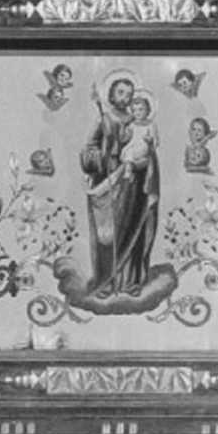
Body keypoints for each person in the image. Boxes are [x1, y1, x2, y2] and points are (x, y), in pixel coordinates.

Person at [80, 72, 160, 298]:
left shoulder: (138, 119)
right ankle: (106, 281)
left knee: (134, 227)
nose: (125, 98)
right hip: (108, 179)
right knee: (109, 231)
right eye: (121, 92)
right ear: (111, 95)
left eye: (129, 94)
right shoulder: (103, 119)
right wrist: (101, 159)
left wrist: (142, 159)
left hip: (134, 181)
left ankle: (131, 280)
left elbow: (147, 149)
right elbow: (89, 149)